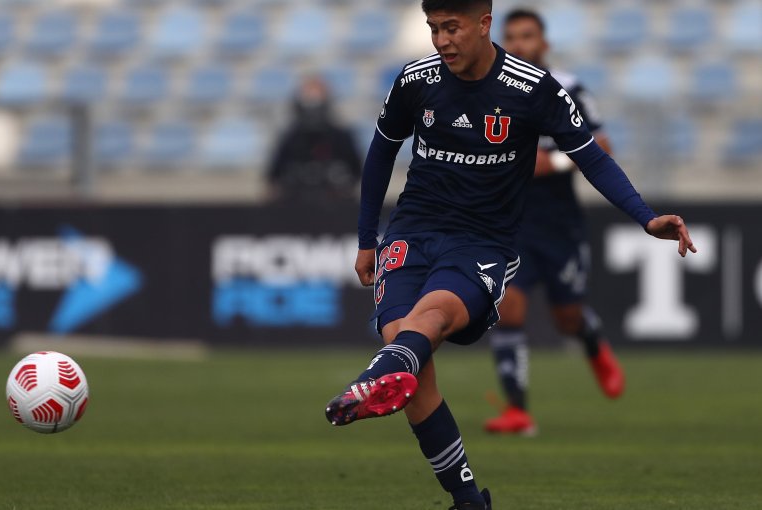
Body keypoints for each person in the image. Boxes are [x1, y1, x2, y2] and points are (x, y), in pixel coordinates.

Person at [322, 1, 696, 509]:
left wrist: (646, 217)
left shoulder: (534, 90)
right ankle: (468, 500)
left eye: (451, 28)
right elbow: (381, 152)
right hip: (412, 232)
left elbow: (593, 157)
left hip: (482, 242)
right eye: (433, 29)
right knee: (410, 360)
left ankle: (377, 377)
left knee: (422, 327)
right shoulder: (415, 80)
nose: (441, 40)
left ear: (482, 23)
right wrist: (368, 238)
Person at [483, 8, 622, 436]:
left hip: (560, 224)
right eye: (512, 37)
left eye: (528, 36)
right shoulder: (490, 91)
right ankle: (517, 410)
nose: (520, 44)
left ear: (544, 43)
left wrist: (555, 163)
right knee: (508, 307)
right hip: (511, 223)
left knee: (567, 318)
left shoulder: (570, 88)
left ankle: (591, 339)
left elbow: (602, 146)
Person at [265, 76, 362, 203]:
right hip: (294, 205)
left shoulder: (341, 136)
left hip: (335, 206)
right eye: (308, 99)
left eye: (317, 99)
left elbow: (356, 171)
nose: (313, 107)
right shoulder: (290, 137)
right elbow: (274, 175)